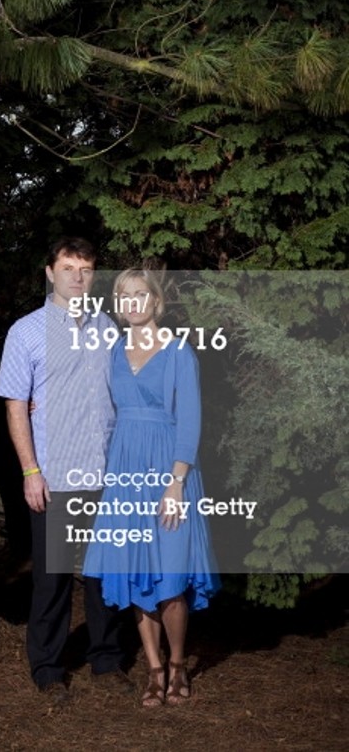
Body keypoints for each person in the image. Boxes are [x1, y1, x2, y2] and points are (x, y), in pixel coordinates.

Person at [0, 237, 130, 701]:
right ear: (50, 273)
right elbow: (15, 405)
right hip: (53, 477)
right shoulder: (26, 332)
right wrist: (30, 472)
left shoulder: (107, 327)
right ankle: (48, 669)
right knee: (51, 580)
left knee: (103, 576)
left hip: (105, 473)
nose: (77, 276)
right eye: (69, 267)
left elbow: (120, 394)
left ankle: (107, 661)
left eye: (86, 269)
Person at [83, 268, 220, 707]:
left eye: (140, 294)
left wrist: (176, 483)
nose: (132, 302)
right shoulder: (114, 352)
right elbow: (104, 413)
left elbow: (191, 421)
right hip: (125, 474)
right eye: (124, 296)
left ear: (155, 300)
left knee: (172, 575)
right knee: (135, 573)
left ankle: (178, 664)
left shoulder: (179, 352)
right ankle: (155, 669)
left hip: (168, 474)